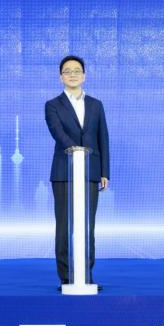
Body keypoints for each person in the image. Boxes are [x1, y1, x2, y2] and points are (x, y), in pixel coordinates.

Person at [45, 55, 110, 287]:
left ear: (84, 75)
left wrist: (104, 172)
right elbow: (57, 133)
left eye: (77, 71)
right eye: (67, 71)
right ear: (60, 76)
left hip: (90, 172)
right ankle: (66, 277)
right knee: (64, 227)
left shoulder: (96, 104)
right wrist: (76, 150)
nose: (72, 74)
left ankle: (85, 275)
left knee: (87, 227)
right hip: (64, 172)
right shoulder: (52, 105)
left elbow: (103, 138)